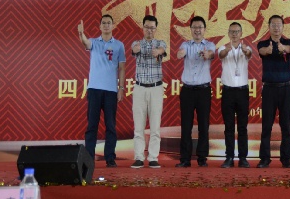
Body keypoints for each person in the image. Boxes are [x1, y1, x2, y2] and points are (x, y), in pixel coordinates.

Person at [77, 15, 126, 167]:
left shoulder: (119, 45)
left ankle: (110, 157)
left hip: (111, 91)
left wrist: (121, 88)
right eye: (103, 23)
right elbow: (85, 42)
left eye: (109, 23)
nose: (106, 25)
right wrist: (81, 34)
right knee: (92, 125)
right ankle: (89, 158)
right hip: (94, 89)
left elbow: (122, 68)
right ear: (100, 26)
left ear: (113, 26)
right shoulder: (94, 42)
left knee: (110, 126)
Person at [175, 16, 216, 168]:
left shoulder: (210, 45)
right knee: (186, 125)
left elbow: (212, 53)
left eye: (200, 27)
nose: (197, 30)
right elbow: (180, 52)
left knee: (203, 125)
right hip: (187, 91)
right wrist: (180, 54)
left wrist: (208, 55)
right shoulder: (185, 45)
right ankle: (185, 159)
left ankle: (202, 158)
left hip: (203, 91)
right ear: (191, 30)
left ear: (204, 30)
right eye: (194, 27)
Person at [257, 15, 290, 168]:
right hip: (269, 89)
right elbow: (262, 51)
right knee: (266, 126)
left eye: (279, 24)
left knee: (286, 125)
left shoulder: (289, 42)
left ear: (283, 27)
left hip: (285, 89)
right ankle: (265, 158)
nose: (276, 27)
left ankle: (286, 159)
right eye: (273, 24)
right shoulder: (263, 43)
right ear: (269, 27)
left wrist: (283, 48)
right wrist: (268, 50)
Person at [130, 15, 167, 169]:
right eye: (147, 27)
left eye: (152, 28)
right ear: (143, 28)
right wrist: (136, 49)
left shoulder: (160, 43)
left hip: (156, 88)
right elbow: (134, 50)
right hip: (139, 88)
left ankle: (153, 157)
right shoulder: (136, 43)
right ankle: (139, 157)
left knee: (155, 126)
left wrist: (158, 51)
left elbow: (162, 50)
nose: (149, 30)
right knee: (138, 126)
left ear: (156, 29)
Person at [218, 22, 253, 168]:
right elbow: (221, 55)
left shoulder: (246, 48)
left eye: (237, 31)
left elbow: (249, 54)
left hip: (242, 91)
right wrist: (226, 50)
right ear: (228, 33)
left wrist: (245, 51)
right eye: (232, 31)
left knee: (243, 127)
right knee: (229, 127)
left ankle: (243, 158)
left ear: (241, 33)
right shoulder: (223, 48)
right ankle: (229, 157)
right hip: (228, 92)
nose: (234, 34)